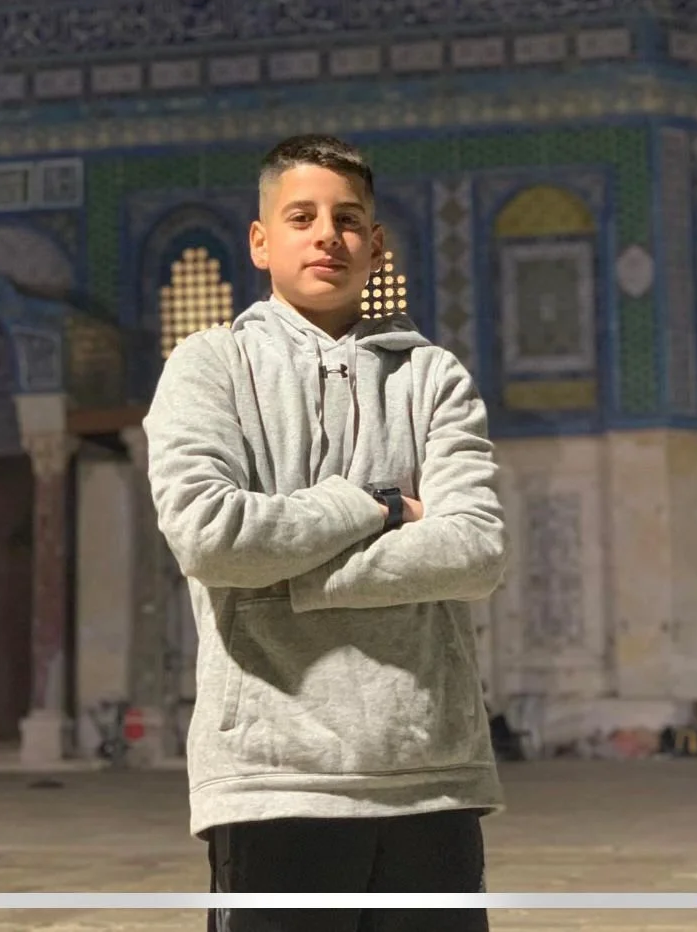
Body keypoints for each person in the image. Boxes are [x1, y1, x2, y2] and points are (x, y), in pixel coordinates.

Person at [143, 134, 508, 932]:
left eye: (347, 219)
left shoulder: (431, 377)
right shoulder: (209, 368)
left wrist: (291, 574)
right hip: (275, 775)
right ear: (260, 240)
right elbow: (210, 537)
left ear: (375, 244)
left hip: (427, 772)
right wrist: (373, 506)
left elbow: (475, 551)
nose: (327, 236)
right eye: (301, 216)